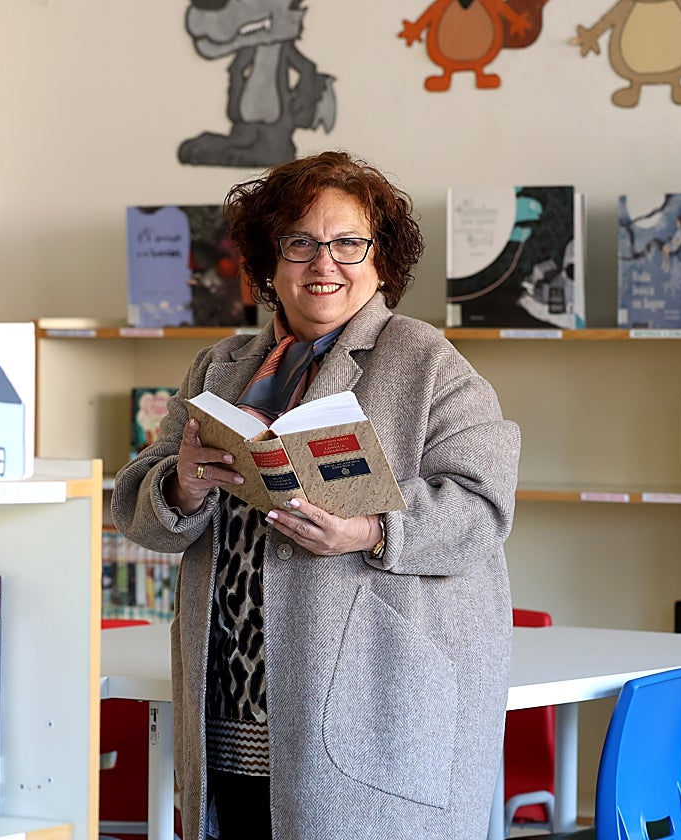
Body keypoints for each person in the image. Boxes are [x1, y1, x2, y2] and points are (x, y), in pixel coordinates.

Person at [112, 150, 520, 840]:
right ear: (269, 265)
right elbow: (140, 510)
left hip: (371, 719)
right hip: (228, 716)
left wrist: (370, 532)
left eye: (348, 242)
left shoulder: (428, 363)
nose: (323, 262)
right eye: (298, 243)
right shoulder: (219, 366)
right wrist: (181, 484)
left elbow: (482, 510)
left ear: (381, 260)